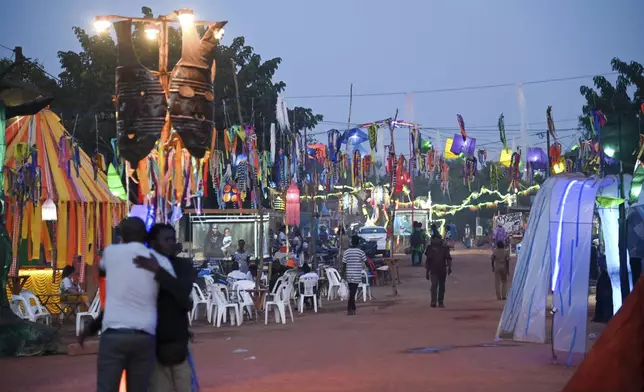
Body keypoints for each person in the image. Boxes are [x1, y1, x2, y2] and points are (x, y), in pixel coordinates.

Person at [85, 217, 176, 392]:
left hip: (113, 334)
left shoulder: (110, 253)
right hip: (144, 334)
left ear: (122, 235)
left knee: (106, 387)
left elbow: (102, 271)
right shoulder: (159, 261)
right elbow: (174, 292)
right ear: (146, 235)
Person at [135, 224, 196, 392]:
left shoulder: (182, 265)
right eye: (166, 240)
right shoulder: (141, 267)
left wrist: (159, 271)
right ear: (153, 243)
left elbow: (183, 292)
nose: (171, 243)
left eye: (173, 239)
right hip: (154, 348)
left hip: (178, 346)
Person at [342, 235, 367, 315]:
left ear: (351, 242)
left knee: (352, 291)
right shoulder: (360, 252)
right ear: (358, 242)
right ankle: (349, 308)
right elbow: (366, 261)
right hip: (356, 274)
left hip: (349, 274)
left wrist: (343, 275)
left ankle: (353, 308)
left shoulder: (346, 252)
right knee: (353, 292)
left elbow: (344, 264)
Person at [425, 233, 452, 308]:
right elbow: (428, 261)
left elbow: (448, 259)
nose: (436, 240)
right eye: (435, 239)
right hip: (433, 270)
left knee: (441, 286)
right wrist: (427, 272)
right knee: (434, 285)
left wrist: (449, 267)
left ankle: (440, 301)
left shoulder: (444, 248)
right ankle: (434, 301)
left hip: (442, 270)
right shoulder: (429, 248)